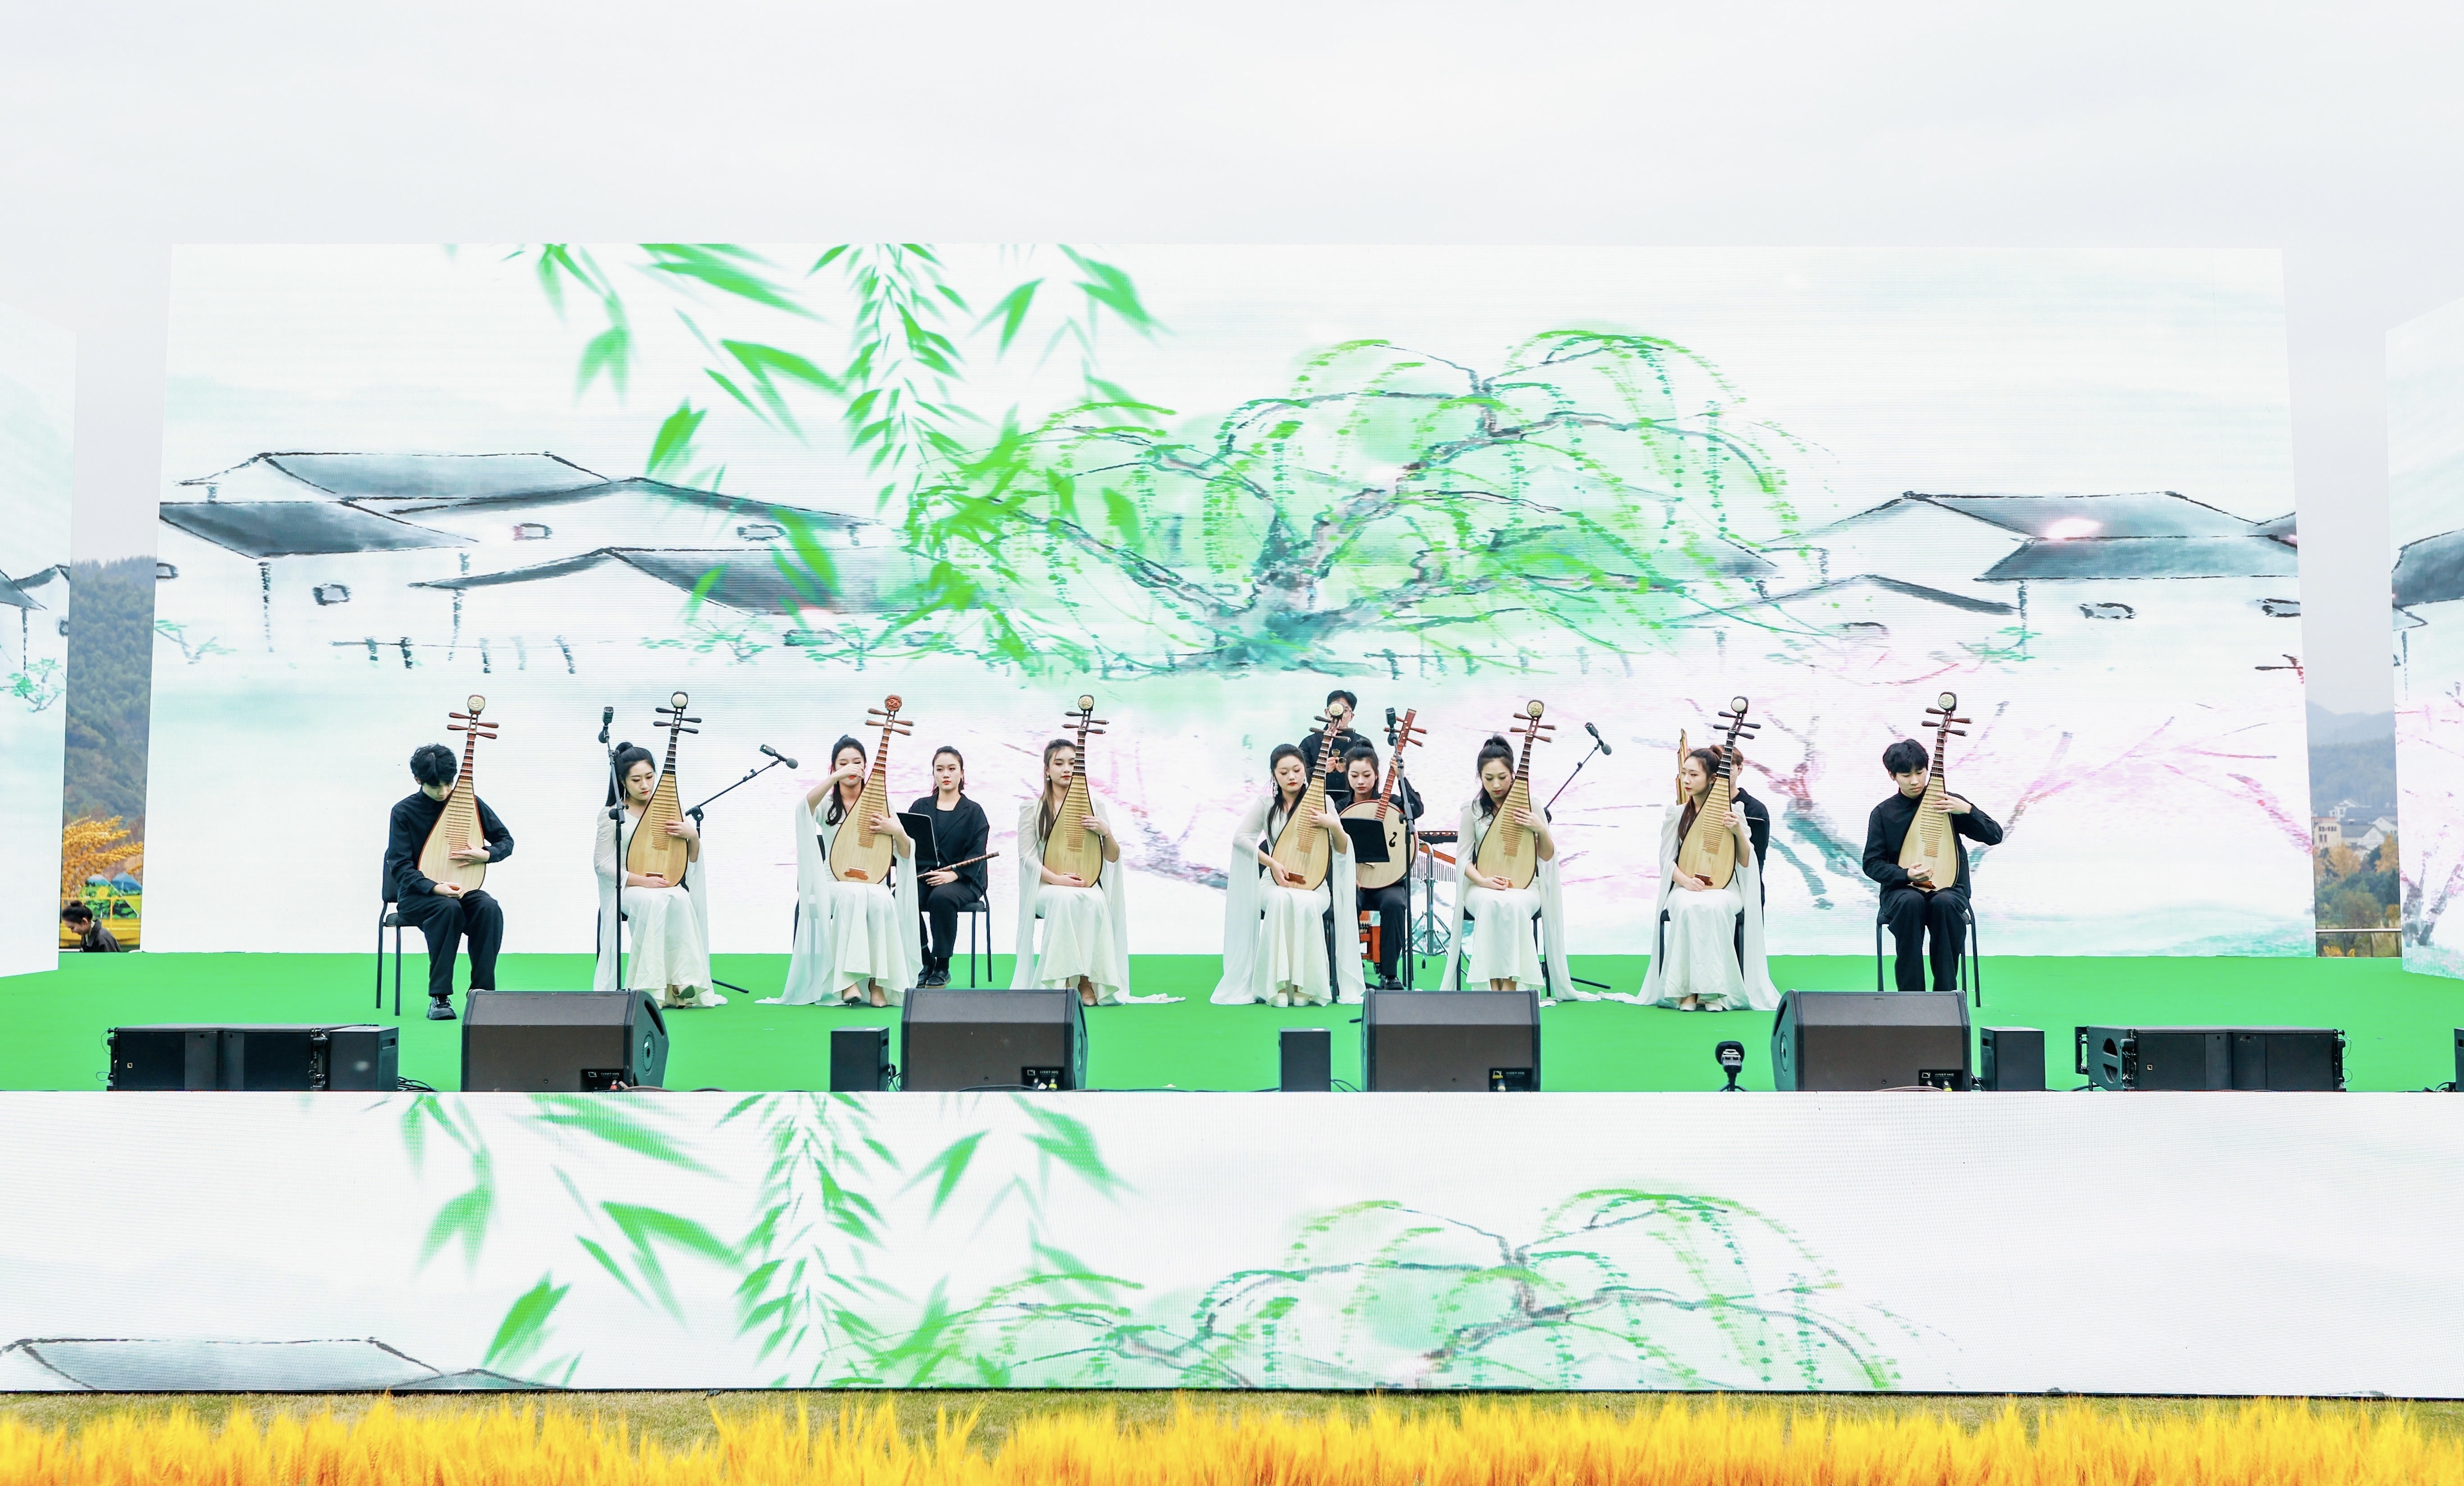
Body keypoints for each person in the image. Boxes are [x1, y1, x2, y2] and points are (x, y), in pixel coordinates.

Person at [767, 735, 917, 1008]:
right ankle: (846, 981)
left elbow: (906, 853)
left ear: (866, 767)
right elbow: (803, 809)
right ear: (834, 767)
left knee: (884, 900)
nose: (851, 768)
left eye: (857, 762)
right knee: (852, 897)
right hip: (834, 882)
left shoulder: (882, 805)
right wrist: (834, 778)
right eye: (843, 763)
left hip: (872, 883)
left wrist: (897, 831)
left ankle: (877, 984)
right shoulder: (827, 805)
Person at [1214, 743, 1365, 1007]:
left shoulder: (1324, 802)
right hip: (1273, 884)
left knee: (1306, 902)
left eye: (1297, 770)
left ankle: (1306, 986)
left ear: (1306, 770)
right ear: (1274, 775)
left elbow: (1342, 848)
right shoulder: (1266, 804)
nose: (1292, 777)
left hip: (1315, 886)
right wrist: (1272, 863)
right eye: (1284, 773)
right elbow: (1241, 838)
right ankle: (1278, 986)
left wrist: (1333, 825)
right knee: (1282, 899)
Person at [1014, 736, 1157, 1006]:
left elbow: (1112, 856)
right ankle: (1064, 981)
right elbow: (1027, 858)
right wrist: (1058, 879)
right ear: (1047, 770)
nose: (1067, 769)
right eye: (1059, 763)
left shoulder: (1095, 807)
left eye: (1073, 763)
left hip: (1083, 885)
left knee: (1096, 900)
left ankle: (1087, 980)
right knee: (1065, 899)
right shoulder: (1032, 809)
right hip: (1046, 888)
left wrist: (1106, 832)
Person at [1638, 748, 1781, 1012]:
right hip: (1685, 885)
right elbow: (1667, 862)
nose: (1687, 780)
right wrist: (1686, 881)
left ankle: (1712, 991)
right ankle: (1685, 991)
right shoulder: (1678, 814)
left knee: (1713, 906)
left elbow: (1747, 861)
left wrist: (1738, 832)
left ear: (1713, 779)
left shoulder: (1735, 813)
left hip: (1726, 888)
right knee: (1687, 905)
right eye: (1684, 774)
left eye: (1694, 775)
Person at [381, 741, 512, 1020]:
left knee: (489, 908)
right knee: (447, 909)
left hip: (462, 889)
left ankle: (482, 993)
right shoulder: (404, 812)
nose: (443, 792)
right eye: (435, 786)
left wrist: (486, 854)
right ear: (418, 780)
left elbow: (505, 841)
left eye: (448, 784)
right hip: (418, 896)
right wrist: (434, 887)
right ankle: (440, 998)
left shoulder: (469, 803)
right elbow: (400, 865)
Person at [1863, 738, 2004, 994]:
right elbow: (1872, 864)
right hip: (1901, 891)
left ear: (1928, 769)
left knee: (1945, 904)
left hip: (1950, 889)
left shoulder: (1948, 803)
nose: (1915, 781)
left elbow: (1994, 836)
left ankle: (1947, 995)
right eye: (1906, 775)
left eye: (1920, 772)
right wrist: (1905, 874)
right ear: (1893, 776)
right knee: (1911, 903)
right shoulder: (1884, 813)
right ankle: (1911, 997)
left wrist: (1968, 810)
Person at [1438, 736, 1572, 996]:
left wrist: (1540, 829)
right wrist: (1483, 881)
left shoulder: (1532, 805)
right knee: (1491, 902)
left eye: (1502, 777)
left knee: (1514, 904)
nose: (1496, 785)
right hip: (1482, 885)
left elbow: (1547, 856)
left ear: (1513, 775)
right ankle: (1491, 986)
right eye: (1489, 779)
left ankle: (1511, 987)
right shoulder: (1473, 810)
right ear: (1480, 777)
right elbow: (1463, 859)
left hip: (1525, 886)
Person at [593, 742, 722, 1009]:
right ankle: (650, 987)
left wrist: (692, 836)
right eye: (636, 780)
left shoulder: (667, 809)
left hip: (662, 885)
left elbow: (687, 859)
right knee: (653, 901)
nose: (645, 785)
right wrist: (643, 881)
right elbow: (602, 865)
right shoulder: (613, 815)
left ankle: (682, 982)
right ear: (622, 781)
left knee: (681, 898)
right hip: (627, 888)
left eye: (650, 777)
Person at [1341, 742, 1420, 990]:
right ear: (1347, 776)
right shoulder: (1340, 808)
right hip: (1355, 880)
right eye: (1355, 775)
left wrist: (1401, 777)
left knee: (1395, 903)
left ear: (1377, 775)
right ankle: (1346, 970)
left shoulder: (1393, 803)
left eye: (1367, 775)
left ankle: (1389, 974)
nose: (1361, 781)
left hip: (1388, 881)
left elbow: (1416, 809)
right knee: (1348, 902)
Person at [909, 745, 990, 987]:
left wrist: (954, 875)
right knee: (902, 897)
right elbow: (911, 846)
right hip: (927, 876)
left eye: (952, 769)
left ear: (962, 773)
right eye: (940, 769)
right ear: (933, 773)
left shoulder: (974, 811)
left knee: (942, 897)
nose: (946, 774)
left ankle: (942, 966)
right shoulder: (920, 807)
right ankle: (925, 960)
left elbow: (978, 853)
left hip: (965, 880)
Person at [1296, 689, 1371, 802]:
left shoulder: (1362, 743)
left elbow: (1371, 775)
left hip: (1353, 801)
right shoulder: (1309, 743)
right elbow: (1299, 775)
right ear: (1327, 712)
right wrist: (1322, 769)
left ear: (1352, 716)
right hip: (1317, 800)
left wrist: (1351, 770)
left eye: (1345, 710)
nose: (1339, 714)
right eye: (1335, 708)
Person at [59, 902, 123, 953]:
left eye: (73, 928)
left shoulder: (103, 939)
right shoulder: (87, 935)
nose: (72, 932)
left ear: (85, 921)